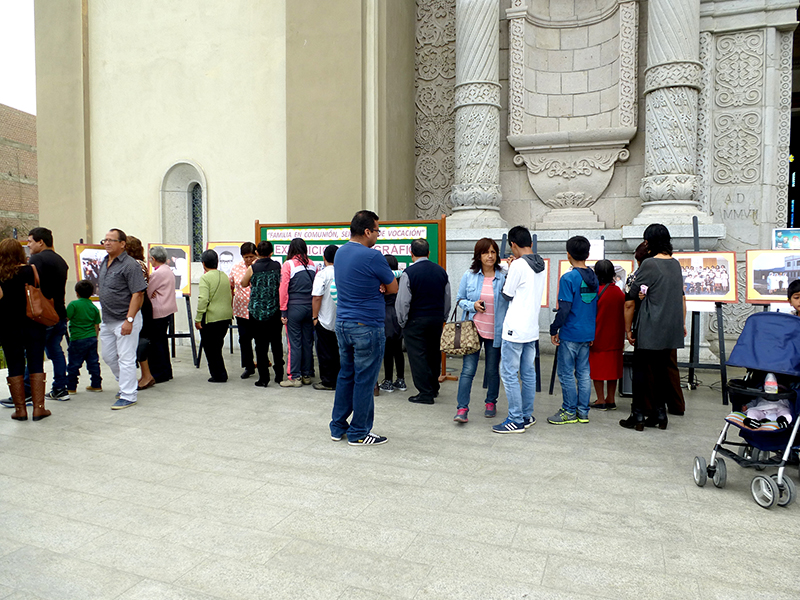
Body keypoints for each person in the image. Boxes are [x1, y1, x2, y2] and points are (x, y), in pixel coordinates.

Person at [330, 210, 398, 446]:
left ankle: (338, 426)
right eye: (377, 231)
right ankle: (359, 432)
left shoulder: (340, 253)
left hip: (344, 323)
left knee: (346, 375)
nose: (378, 236)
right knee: (365, 380)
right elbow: (393, 287)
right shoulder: (373, 256)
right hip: (367, 325)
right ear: (367, 231)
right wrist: (378, 284)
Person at [621, 224, 686, 431]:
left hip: (651, 325)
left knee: (641, 371)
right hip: (670, 327)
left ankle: (638, 414)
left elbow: (631, 295)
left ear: (649, 242)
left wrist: (629, 329)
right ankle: (660, 413)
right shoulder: (675, 264)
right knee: (660, 372)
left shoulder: (649, 264)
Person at [493, 226, 546, 434]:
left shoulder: (518, 266)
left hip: (515, 327)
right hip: (531, 327)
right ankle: (526, 415)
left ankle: (515, 419)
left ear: (513, 244)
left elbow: (507, 294)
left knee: (508, 373)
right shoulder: (540, 264)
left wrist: (509, 271)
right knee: (528, 373)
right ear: (530, 243)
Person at [453, 238, 507, 423]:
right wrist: (472, 305)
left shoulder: (503, 276)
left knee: (492, 370)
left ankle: (491, 402)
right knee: (468, 370)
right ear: (479, 255)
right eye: (486, 252)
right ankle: (462, 408)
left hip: (495, 331)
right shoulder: (470, 275)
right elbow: (460, 299)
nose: (490, 256)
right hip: (473, 330)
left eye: (493, 252)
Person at [548, 236, 598, 425]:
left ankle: (569, 411)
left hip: (570, 332)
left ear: (568, 254)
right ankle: (583, 412)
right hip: (587, 332)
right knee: (584, 373)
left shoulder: (568, 278)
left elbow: (565, 308)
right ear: (587, 254)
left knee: (567, 373)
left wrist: (554, 328)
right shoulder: (594, 277)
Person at [0, 239, 50, 421]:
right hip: (33, 323)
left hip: (8, 326)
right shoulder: (31, 270)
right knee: (36, 362)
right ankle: (39, 408)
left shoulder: (0, 274)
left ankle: (20, 410)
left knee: (14, 365)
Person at [395, 239, 450, 405]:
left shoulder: (409, 273)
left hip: (415, 320)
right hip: (436, 319)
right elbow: (447, 297)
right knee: (433, 353)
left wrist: (402, 321)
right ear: (429, 253)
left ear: (411, 254)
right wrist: (443, 317)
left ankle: (425, 393)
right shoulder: (441, 271)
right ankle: (433, 387)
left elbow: (403, 301)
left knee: (417, 356)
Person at [98, 229, 147, 409]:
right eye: (105, 240)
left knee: (126, 358)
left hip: (125, 319)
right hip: (107, 319)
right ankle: (126, 382)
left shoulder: (130, 265)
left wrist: (129, 320)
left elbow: (138, 294)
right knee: (109, 356)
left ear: (122, 244)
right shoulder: (105, 262)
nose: (107, 243)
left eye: (111, 240)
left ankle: (128, 395)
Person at [27, 227, 70, 401]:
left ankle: (27, 391)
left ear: (41, 242)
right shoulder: (61, 260)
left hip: (42, 314)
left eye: (30, 241)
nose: (28, 245)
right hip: (59, 312)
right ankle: (60, 388)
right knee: (56, 350)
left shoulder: (37, 259)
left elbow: (32, 285)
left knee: (33, 352)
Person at [241, 241, 283, 386]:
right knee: (276, 343)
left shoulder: (253, 268)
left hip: (257, 312)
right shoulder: (277, 266)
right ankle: (279, 375)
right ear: (271, 253)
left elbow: (243, 283)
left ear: (257, 253)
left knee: (260, 345)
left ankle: (264, 378)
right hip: (274, 310)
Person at [279, 238, 317, 387]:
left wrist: (283, 311)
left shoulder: (288, 265)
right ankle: (307, 374)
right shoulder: (313, 265)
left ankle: (295, 377)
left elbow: (283, 289)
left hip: (294, 308)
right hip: (310, 308)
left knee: (294, 343)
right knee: (308, 342)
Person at [588, 259, 625, 411]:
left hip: (599, 334)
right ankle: (611, 398)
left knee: (597, 368)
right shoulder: (619, 292)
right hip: (616, 335)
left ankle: (600, 399)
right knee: (612, 368)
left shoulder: (595, 292)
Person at [195, 250, 233, 383]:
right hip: (226, 316)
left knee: (210, 348)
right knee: (217, 346)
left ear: (203, 264)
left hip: (211, 317)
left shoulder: (205, 278)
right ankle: (221, 372)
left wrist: (198, 318)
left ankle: (218, 375)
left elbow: (203, 299)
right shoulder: (224, 275)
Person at [126, 237, 155, 390]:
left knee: (140, 340)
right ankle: (145, 374)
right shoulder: (141, 264)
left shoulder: (134, 265)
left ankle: (146, 375)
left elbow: (139, 290)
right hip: (142, 303)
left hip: (140, 304)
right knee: (140, 339)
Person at [146, 246, 178, 384]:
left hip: (158, 311)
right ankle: (166, 371)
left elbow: (148, 292)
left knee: (156, 344)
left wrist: (152, 293)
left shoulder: (157, 274)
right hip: (167, 310)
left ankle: (159, 373)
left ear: (153, 259)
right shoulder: (168, 270)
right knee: (162, 342)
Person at [66, 280, 102, 394]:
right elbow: (97, 325)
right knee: (93, 362)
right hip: (91, 338)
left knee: (74, 364)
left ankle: (71, 387)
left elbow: (66, 319)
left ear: (77, 293)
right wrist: (95, 338)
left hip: (77, 338)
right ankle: (96, 384)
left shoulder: (73, 305)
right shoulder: (93, 307)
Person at [311, 244, 339, 391]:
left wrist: (314, 317)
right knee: (339, 352)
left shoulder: (322, 274)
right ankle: (339, 380)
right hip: (341, 319)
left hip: (324, 319)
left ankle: (328, 382)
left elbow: (317, 297)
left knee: (325, 352)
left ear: (324, 258)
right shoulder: (344, 272)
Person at [378, 255, 407, 394]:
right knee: (398, 349)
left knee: (387, 350)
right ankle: (400, 380)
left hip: (386, 314)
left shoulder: (383, 279)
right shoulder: (401, 278)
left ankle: (388, 381)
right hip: (398, 314)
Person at [229, 242, 258, 379]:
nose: (248, 260)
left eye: (251, 256)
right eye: (246, 257)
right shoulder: (236, 268)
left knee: (259, 339)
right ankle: (248, 366)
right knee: (244, 339)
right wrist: (230, 306)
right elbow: (231, 286)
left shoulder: (260, 266)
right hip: (241, 310)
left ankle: (262, 363)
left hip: (257, 310)